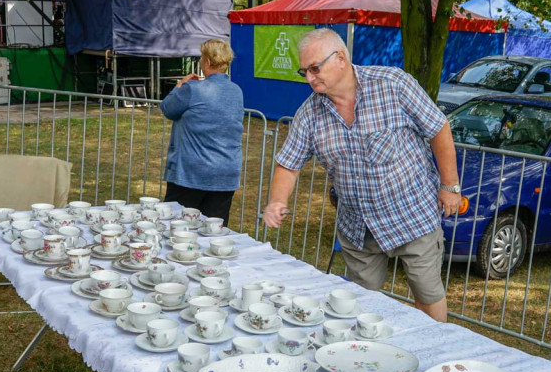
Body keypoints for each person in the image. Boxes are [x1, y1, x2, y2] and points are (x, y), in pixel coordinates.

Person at [263, 28, 460, 322]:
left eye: (315, 68)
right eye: (304, 71)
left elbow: (438, 128)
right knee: (359, 304)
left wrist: (450, 186)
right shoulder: (309, 114)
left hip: (413, 216)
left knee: (427, 296)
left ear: (340, 58)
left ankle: (436, 353)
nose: (309, 78)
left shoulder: (393, 84)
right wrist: (276, 201)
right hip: (359, 226)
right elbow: (288, 164)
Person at [160, 39, 244, 223]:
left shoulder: (192, 89)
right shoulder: (237, 91)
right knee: (213, 234)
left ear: (206, 62)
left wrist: (179, 85)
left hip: (191, 174)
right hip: (225, 173)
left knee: (177, 229)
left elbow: (168, 108)